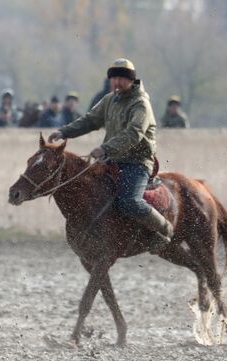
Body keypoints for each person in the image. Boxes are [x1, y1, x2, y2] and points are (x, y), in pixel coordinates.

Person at [49, 58, 173, 252]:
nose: (116, 82)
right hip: (112, 160)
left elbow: (134, 133)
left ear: (131, 80)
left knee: (130, 202)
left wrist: (105, 148)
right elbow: (90, 120)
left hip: (137, 163)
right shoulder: (109, 100)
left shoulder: (141, 104)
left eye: (121, 78)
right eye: (114, 78)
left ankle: (164, 229)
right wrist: (65, 132)